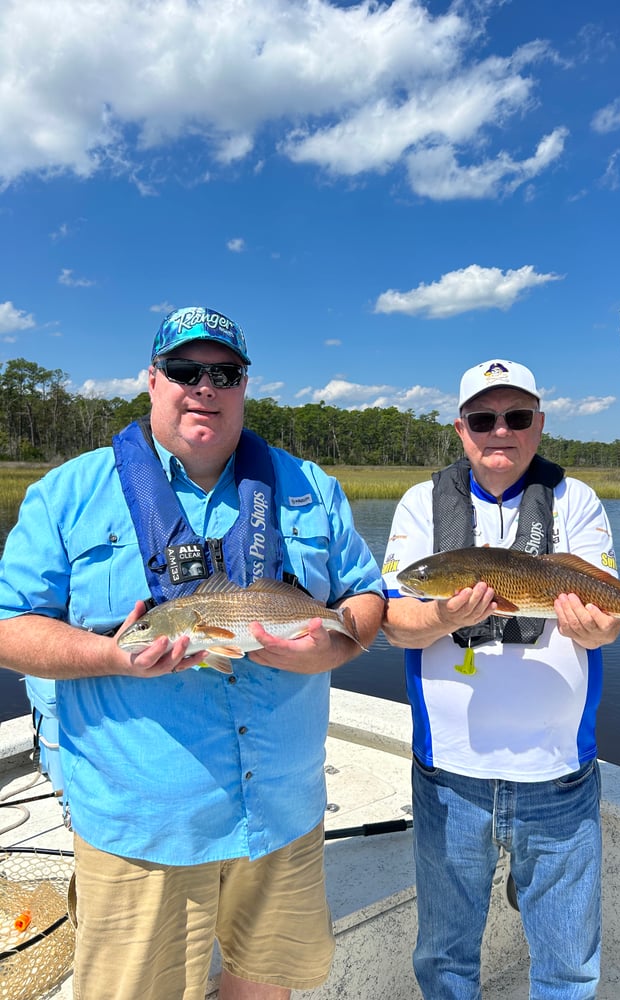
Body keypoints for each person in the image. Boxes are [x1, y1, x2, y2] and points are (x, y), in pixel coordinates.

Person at [0, 306, 384, 1000]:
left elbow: (365, 599)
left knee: (265, 986)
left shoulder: (310, 489)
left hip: (282, 814)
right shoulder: (67, 494)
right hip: (143, 827)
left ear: (244, 385)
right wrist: (108, 657)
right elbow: (8, 625)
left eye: (225, 373)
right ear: (152, 379)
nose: (203, 386)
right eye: (183, 370)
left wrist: (334, 647)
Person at [381, 358, 620, 1000]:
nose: (501, 431)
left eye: (517, 417)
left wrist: (599, 627)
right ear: (462, 429)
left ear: (538, 426)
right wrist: (440, 614)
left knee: (568, 966)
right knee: (445, 959)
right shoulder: (420, 503)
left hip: (560, 777)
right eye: (485, 418)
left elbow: (606, 624)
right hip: (449, 778)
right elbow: (395, 620)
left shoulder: (577, 500)